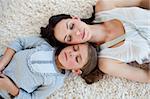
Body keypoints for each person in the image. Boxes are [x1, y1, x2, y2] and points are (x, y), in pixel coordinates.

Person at [40, 0, 150, 83]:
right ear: (70, 44)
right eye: (69, 38)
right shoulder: (107, 62)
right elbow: (146, 77)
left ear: (75, 18)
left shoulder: (104, 5)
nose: (77, 33)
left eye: (71, 26)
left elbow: (141, 1)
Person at [0, 36, 97, 99]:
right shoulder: (45, 46)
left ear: (76, 70)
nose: (72, 54)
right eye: (74, 48)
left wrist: (9, 87)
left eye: (77, 59)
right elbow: (20, 42)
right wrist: (2, 63)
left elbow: (33, 98)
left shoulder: (55, 81)